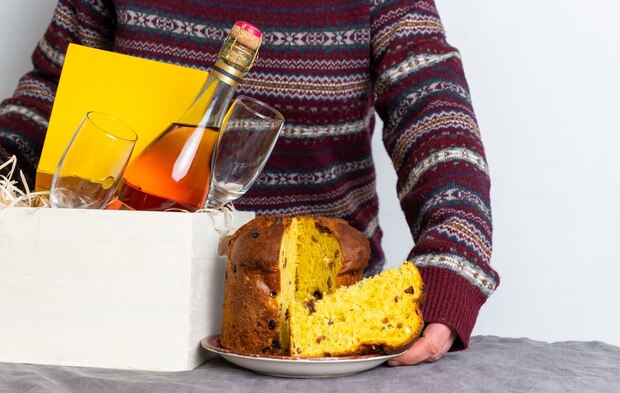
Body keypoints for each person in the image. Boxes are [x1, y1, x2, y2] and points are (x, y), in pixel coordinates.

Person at [0, 0, 499, 365]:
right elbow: (49, 93)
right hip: (130, 311)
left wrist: (452, 261)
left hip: (320, 337)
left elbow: (435, 115)